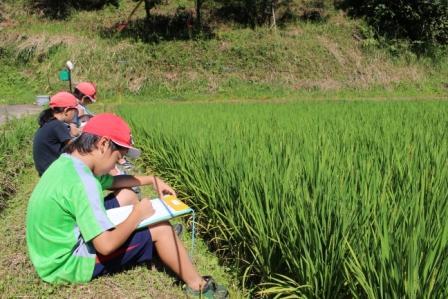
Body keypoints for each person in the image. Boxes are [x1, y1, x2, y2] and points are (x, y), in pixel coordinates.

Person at [26, 113, 228, 298]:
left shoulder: (69, 163)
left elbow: (113, 182)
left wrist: (152, 179)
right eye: (119, 155)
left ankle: (155, 243)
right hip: (66, 264)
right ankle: (199, 286)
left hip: (49, 253)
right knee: (161, 228)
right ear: (103, 144)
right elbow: (105, 247)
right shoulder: (84, 184)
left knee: (127, 196)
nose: (120, 161)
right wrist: (138, 215)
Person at [32, 91, 80, 176]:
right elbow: (73, 149)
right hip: (54, 172)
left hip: (44, 170)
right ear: (66, 110)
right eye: (75, 111)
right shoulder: (58, 125)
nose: (76, 115)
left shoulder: (49, 123)